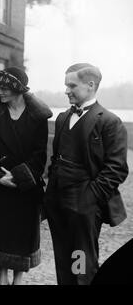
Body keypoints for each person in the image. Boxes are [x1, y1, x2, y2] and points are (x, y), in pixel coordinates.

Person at [44, 63, 129, 285]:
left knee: (80, 260)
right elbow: (55, 160)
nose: (66, 91)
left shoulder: (109, 121)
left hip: (84, 206)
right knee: (63, 257)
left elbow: (117, 168)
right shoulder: (63, 118)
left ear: (91, 85)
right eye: (65, 85)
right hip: (57, 202)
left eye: (72, 85)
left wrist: (89, 199)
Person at [0, 67, 52, 285]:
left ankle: (18, 280)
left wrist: (19, 177)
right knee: (1, 234)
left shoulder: (37, 118)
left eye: (5, 87)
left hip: (25, 189)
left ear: (18, 89)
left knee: (21, 235)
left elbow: (40, 154)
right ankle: (2, 279)